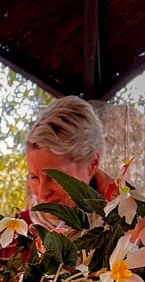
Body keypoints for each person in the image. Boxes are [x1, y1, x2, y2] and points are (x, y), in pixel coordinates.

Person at [23, 95, 115, 232]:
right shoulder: (15, 235)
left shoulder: (122, 232)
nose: (42, 194)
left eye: (55, 177)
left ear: (93, 164)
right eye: (34, 177)